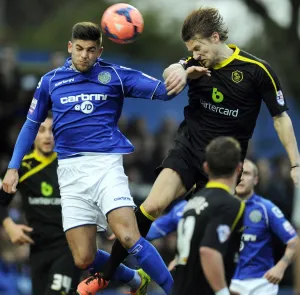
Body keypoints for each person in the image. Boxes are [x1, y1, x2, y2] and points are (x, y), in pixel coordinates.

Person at [99, 6, 300, 282]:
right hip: (188, 148)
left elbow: (281, 118)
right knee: (153, 206)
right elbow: (174, 68)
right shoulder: (194, 63)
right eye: (191, 50)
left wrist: (295, 163)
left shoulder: (257, 71)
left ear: (216, 37)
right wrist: (178, 72)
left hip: (225, 165)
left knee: (208, 241)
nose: (195, 55)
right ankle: (106, 275)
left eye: (198, 47)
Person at [1, 22, 176, 295]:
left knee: (128, 236)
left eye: (91, 50)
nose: (84, 55)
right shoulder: (51, 81)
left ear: (100, 51)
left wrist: (181, 68)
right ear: (70, 47)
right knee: (83, 258)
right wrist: (13, 167)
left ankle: (178, 289)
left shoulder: (115, 75)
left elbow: (165, 91)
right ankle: (136, 281)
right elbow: (31, 124)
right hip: (69, 172)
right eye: (79, 49)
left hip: (105, 166)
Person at [0, 113, 81, 295]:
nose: (47, 136)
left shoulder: (70, 164)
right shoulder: (20, 167)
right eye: (41, 130)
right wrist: (9, 226)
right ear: (32, 134)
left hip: (69, 247)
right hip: (38, 248)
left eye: (52, 131)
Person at [173, 136, 245, 295]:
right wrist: (222, 292)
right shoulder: (230, 204)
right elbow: (208, 251)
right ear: (239, 168)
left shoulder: (192, 202)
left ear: (206, 167)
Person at [230, 159, 299, 295]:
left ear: (256, 180)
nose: (242, 178)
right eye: (238, 173)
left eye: (247, 174)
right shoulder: (220, 208)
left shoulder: (266, 208)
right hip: (229, 281)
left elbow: (294, 241)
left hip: (261, 284)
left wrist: (280, 267)